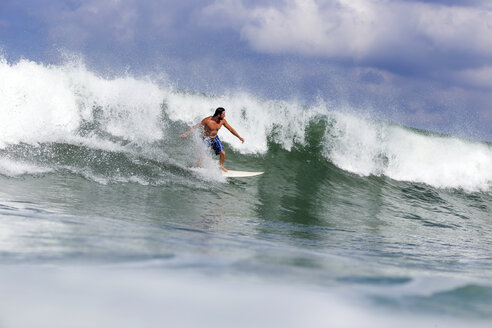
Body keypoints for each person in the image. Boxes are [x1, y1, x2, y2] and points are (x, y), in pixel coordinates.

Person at [180, 107, 244, 172]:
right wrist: (187, 134)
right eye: (223, 114)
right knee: (203, 154)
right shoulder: (207, 120)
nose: (224, 116)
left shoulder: (223, 121)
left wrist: (239, 137)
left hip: (215, 137)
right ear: (218, 115)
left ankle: (221, 167)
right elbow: (196, 126)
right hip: (206, 138)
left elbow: (231, 129)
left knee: (223, 153)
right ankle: (197, 166)